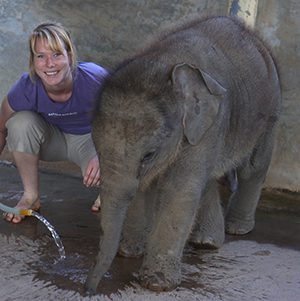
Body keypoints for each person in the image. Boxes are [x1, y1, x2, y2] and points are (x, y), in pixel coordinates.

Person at [0, 22, 107, 223]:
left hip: (91, 140)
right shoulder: (26, 87)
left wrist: (105, 155)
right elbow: (0, 129)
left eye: (56, 54)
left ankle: (110, 194)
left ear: (70, 56)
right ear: (33, 61)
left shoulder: (94, 78)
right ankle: (31, 197)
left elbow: (127, 125)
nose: (49, 64)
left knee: (114, 183)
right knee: (19, 123)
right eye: (41, 56)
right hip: (52, 140)